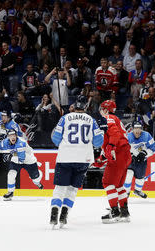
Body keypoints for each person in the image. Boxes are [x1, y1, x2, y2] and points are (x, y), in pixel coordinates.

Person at [49, 98, 104, 228]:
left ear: (74, 106)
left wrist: (62, 144)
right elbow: (98, 142)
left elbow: (55, 138)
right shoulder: (92, 120)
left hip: (65, 157)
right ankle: (64, 213)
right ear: (85, 107)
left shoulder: (65, 118)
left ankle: (54, 212)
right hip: (83, 159)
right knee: (72, 189)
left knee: (60, 188)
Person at [99, 100, 132, 223]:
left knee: (108, 183)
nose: (100, 111)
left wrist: (111, 147)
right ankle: (124, 212)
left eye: (102, 109)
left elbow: (115, 134)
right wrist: (103, 155)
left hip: (118, 152)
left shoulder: (108, 118)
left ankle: (115, 212)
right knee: (118, 185)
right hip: (124, 154)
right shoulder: (116, 119)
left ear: (106, 110)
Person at [0, 129, 43, 201]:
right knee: (11, 174)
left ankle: (37, 182)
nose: (13, 137)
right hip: (15, 161)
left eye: (14, 135)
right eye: (11, 135)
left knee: (35, 179)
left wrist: (10, 156)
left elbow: (22, 158)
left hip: (28, 160)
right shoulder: (4, 142)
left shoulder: (21, 143)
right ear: (8, 136)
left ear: (16, 135)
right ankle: (10, 192)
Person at [123, 121, 155, 198]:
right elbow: (123, 148)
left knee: (140, 178)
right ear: (132, 129)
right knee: (128, 174)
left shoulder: (147, 136)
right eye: (135, 128)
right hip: (130, 160)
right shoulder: (127, 136)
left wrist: (144, 153)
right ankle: (125, 193)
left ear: (142, 129)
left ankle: (137, 190)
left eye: (139, 128)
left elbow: (152, 149)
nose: (137, 130)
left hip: (141, 161)